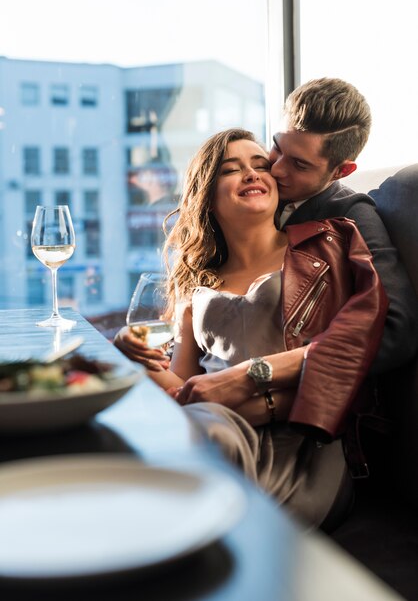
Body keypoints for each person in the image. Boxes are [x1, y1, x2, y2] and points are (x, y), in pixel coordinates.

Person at [115, 128, 388, 530]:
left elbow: (353, 344)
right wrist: (132, 354)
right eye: (231, 169)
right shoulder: (196, 287)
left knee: (198, 442)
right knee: (190, 435)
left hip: (303, 445)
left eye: (261, 165)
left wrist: (249, 391)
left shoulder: (326, 245)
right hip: (214, 426)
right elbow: (185, 387)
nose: (252, 173)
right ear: (207, 193)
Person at [269, 77, 418, 373]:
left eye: (299, 165)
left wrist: (292, 368)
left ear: (342, 171)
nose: (276, 168)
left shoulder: (352, 216)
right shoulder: (256, 188)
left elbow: (399, 331)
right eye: (276, 147)